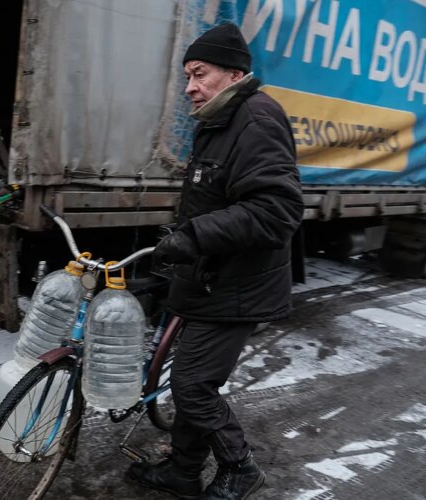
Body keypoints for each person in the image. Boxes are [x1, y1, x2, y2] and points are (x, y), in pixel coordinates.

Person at [127, 23, 303, 499]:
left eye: (199, 74)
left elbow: (276, 211)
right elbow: (217, 197)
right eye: (188, 75)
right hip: (211, 278)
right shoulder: (222, 120)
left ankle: (240, 468)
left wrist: (194, 236)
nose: (190, 87)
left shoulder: (257, 119)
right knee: (191, 381)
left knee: (191, 386)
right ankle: (184, 472)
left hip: (238, 286)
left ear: (233, 72)